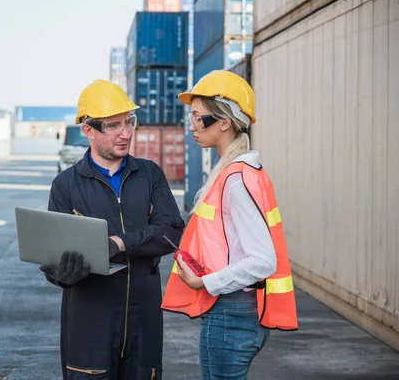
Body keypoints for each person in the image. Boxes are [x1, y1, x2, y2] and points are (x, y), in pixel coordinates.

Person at [40, 79, 185, 379]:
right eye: (113, 125)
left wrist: (120, 243)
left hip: (143, 321)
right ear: (88, 130)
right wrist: (59, 273)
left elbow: (171, 231)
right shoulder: (66, 186)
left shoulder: (150, 175)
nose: (126, 133)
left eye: (129, 122)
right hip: (90, 322)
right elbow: (56, 253)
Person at [161, 70, 298, 380]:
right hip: (237, 313)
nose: (192, 126)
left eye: (199, 117)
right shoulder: (241, 172)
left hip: (231, 313)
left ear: (224, 122)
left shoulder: (236, 179)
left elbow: (263, 261)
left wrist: (204, 283)